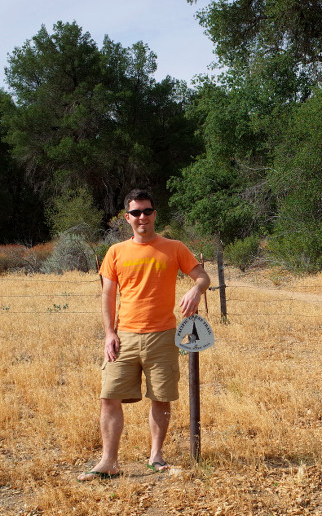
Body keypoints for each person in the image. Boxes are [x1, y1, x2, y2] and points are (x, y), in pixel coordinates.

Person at [77, 189, 210, 481]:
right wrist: (109, 333)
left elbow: (203, 276)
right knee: (109, 397)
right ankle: (108, 462)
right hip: (123, 337)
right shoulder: (115, 252)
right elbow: (108, 295)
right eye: (136, 212)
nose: (142, 217)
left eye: (147, 211)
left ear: (154, 214)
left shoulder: (174, 247)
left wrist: (195, 289)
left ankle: (156, 458)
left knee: (161, 398)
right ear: (127, 218)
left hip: (162, 336)